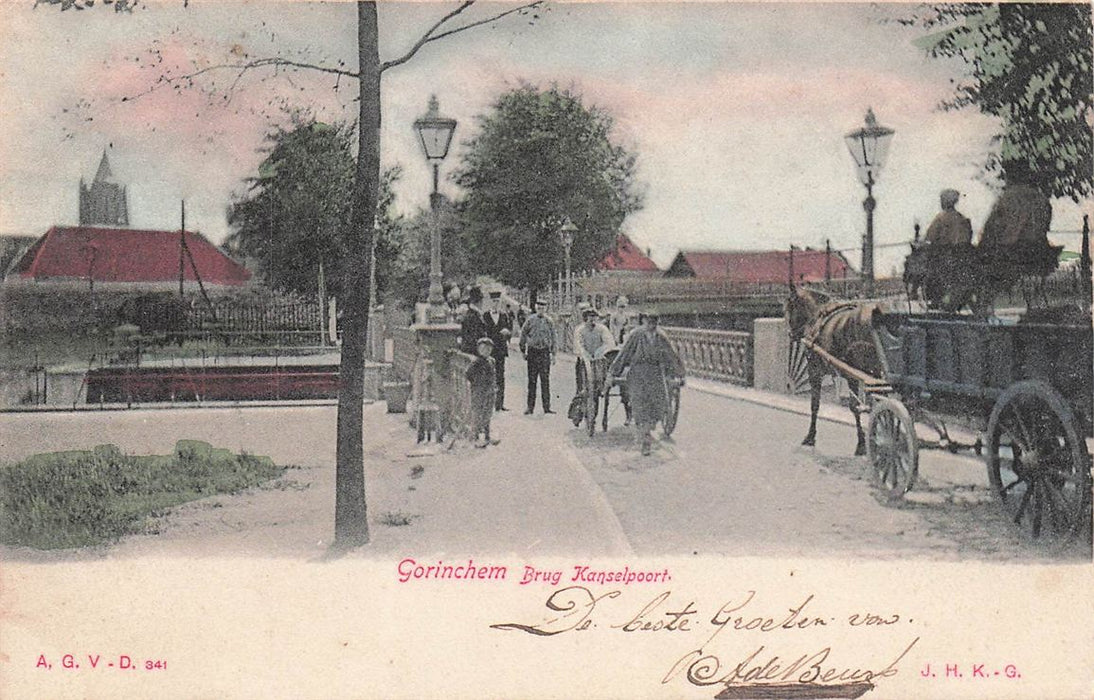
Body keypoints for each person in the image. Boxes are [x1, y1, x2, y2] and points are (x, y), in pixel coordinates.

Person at [610, 313, 684, 455]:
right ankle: (645, 438)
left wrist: (679, 373)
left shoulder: (661, 336)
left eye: (654, 322)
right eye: (649, 321)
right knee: (639, 404)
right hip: (638, 373)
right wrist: (613, 372)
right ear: (644, 321)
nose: (652, 325)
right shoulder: (636, 335)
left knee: (658, 404)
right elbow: (624, 354)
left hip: (655, 373)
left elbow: (671, 355)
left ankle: (648, 429)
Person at [978, 160, 1052, 248]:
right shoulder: (1041, 199)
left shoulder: (1006, 198)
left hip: (1011, 251)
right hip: (1037, 250)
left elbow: (991, 228)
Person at [571, 307, 615, 423]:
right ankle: (579, 413)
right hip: (584, 363)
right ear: (585, 318)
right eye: (590, 318)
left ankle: (592, 416)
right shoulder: (580, 330)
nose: (592, 320)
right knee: (582, 389)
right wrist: (585, 355)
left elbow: (609, 342)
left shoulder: (602, 329)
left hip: (599, 362)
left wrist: (600, 351)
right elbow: (578, 345)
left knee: (597, 389)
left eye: (594, 317)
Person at [519, 299, 556, 415]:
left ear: (546, 309)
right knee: (532, 381)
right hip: (533, 353)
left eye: (543, 308)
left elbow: (554, 337)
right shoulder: (530, 320)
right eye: (539, 308)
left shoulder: (549, 321)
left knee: (545, 381)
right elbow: (523, 335)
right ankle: (530, 408)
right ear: (535, 308)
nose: (541, 310)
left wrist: (553, 354)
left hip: (544, 352)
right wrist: (523, 351)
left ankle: (547, 407)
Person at [465, 337, 499, 448]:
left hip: (490, 391)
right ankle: (475, 437)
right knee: (477, 413)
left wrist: (494, 386)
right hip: (479, 391)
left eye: (489, 349)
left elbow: (494, 375)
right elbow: (468, 374)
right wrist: (476, 383)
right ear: (479, 349)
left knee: (487, 413)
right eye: (483, 348)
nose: (486, 351)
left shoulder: (491, 361)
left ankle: (487, 436)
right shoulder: (476, 362)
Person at [483, 291, 514, 411]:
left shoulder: (504, 315)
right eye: (493, 301)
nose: (495, 304)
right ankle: (488, 403)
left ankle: (500, 404)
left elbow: (508, 330)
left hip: (500, 350)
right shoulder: (485, 316)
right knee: (488, 375)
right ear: (490, 302)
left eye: (497, 301)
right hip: (489, 350)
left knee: (500, 377)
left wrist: (507, 333)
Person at [458, 286, 487, 355]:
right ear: (479, 302)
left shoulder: (471, 314)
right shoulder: (473, 315)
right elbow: (473, 337)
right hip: (474, 351)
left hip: (471, 349)